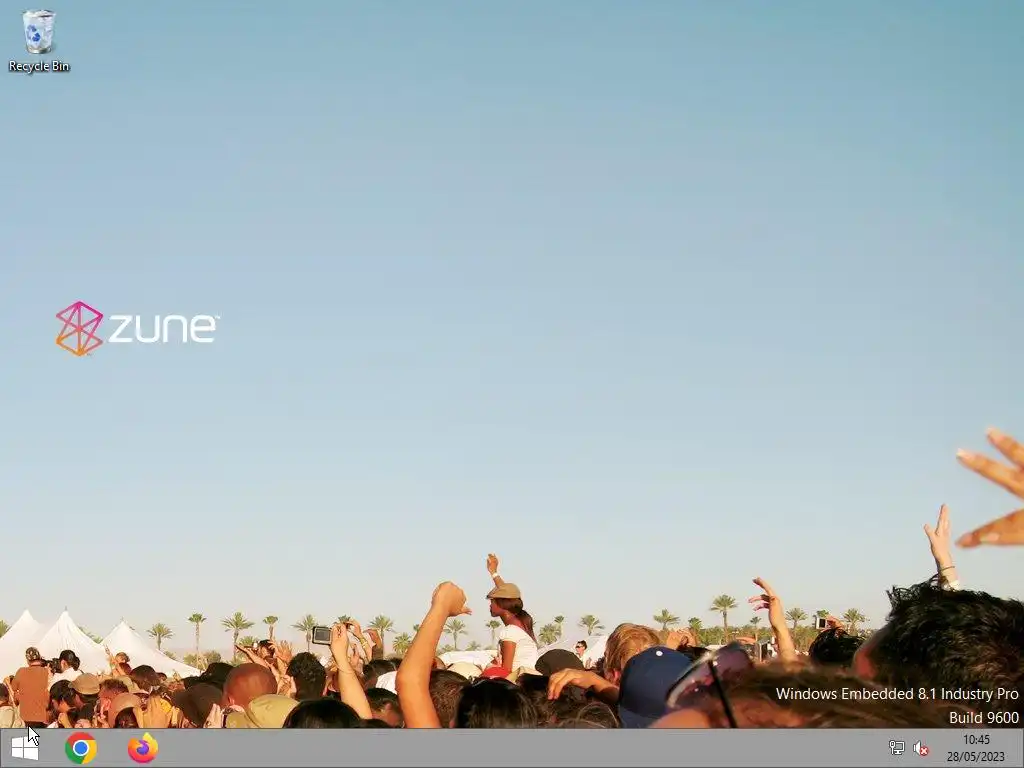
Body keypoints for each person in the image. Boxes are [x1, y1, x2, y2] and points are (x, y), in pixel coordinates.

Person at [485, 554, 539, 673]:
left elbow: (506, 671)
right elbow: (506, 592)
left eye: (492, 601)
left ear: (502, 604)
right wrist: (494, 573)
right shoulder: (520, 626)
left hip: (517, 681)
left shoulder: (509, 632)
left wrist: (490, 667)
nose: (490, 605)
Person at [10, 648, 50, 727]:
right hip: (44, 716)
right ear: (39, 658)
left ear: (28, 660)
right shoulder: (47, 672)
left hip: (27, 717)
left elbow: (13, 688)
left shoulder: (21, 671)